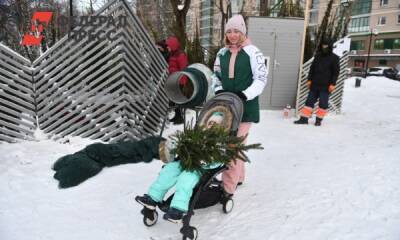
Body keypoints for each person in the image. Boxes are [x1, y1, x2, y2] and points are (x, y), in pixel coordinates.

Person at [135, 112, 226, 223]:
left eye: (216, 124)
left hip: (200, 168)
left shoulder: (220, 142)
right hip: (184, 161)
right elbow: (184, 142)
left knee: (186, 179)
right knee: (168, 171)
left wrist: (206, 161)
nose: (212, 125)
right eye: (210, 122)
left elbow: (219, 160)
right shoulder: (198, 135)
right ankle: (152, 198)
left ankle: (178, 209)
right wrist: (176, 145)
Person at [213, 14, 268, 197]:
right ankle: (240, 176)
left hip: (246, 107)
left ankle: (227, 187)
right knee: (236, 144)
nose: (233, 35)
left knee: (232, 145)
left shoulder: (253, 52)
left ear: (243, 32)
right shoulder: (221, 53)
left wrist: (245, 94)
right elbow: (216, 76)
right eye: (229, 31)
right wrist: (219, 89)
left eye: (236, 31)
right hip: (227, 106)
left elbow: (261, 79)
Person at [294, 39, 340, 126]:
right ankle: (304, 119)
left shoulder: (334, 58)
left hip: (326, 86)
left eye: (326, 46)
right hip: (314, 84)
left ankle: (318, 120)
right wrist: (309, 79)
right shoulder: (317, 56)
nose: (324, 47)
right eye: (323, 45)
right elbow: (312, 69)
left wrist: (333, 84)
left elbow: (335, 73)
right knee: (309, 102)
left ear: (330, 46)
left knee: (323, 104)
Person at [165, 36, 189, 125]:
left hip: (179, 80)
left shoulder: (180, 55)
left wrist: (182, 81)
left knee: (176, 99)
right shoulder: (172, 54)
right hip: (173, 80)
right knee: (174, 99)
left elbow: (184, 68)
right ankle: (177, 116)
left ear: (173, 45)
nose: (167, 47)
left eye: (168, 46)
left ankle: (180, 117)